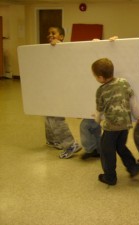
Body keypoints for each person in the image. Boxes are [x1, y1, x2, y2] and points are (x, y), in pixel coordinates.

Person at [92, 57, 139, 186]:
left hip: (111, 127)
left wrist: (97, 121)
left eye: (96, 77)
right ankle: (133, 167)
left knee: (106, 151)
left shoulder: (101, 90)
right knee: (120, 146)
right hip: (125, 124)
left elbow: (99, 110)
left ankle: (110, 177)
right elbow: (133, 101)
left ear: (101, 78)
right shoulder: (123, 82)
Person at [45, 26, 82, 159]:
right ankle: (53, 140)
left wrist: (59, 46)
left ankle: (70, 144)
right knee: (47, 114)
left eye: (53, 33)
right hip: (51, 89)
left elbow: (70, 64)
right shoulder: (47, 50)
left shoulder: (64, 48)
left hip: (61, 90)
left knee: (56, 118)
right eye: (49, 33)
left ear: (61, 36)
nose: (50, 35)